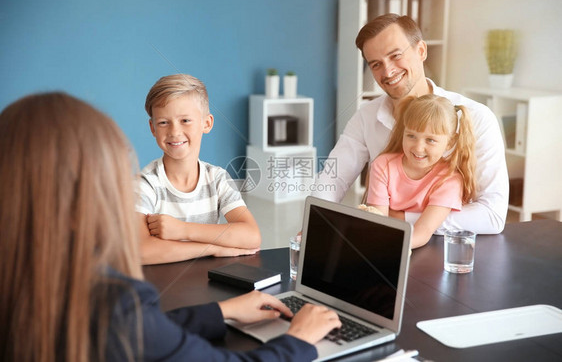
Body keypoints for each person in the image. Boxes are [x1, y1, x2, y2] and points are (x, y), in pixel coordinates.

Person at [0, 92, 341, 361]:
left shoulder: (33, 283)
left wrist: (218, 312)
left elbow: (141, 332)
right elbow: (136, 313)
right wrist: (299, 339)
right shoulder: (114, 300)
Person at [312, 14, 508, 235]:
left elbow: (493, 215)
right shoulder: (366, 117)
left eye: (395, 56)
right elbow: (333, 178)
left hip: (455, 250)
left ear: (421, 51)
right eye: (376, 64)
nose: (387, 71)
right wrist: (316, 224)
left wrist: (401, 219)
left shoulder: (477, 117)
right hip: (386, 244)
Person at [138, 74, 261, 264]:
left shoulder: (218, 178)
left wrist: (183, 229)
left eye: (185, 120)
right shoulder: (144, 184)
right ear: (153, 128)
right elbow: (140, 251)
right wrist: (212, 248)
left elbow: (251, 236)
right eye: (163, 122)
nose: (174, 132)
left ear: (207, 123)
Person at [367, 94, 477, 248]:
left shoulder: (449, 179)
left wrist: (394, 247)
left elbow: (424, 230)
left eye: (430, 140)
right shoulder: (382, 165)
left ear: (449, 142)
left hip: (424, 248)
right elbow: (378, 222)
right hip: (388, 242)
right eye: (411, 135)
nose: (418, 148)